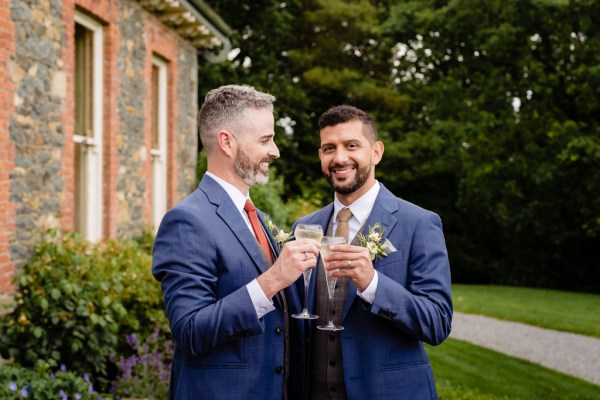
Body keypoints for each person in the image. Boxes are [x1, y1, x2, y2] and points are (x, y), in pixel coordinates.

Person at [152, 84, 319, 400]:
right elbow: (189, 330)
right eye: (265, 140)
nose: (275, 151)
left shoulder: (258, 217)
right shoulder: (187, 220)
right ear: (227, 142)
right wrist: (270, 281)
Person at [295, 105, 453, 399]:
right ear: (320, 157)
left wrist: (373, 285)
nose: (339, 158)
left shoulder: (419, 223)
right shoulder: (304, 227)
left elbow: (437, 322)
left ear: (376, 152)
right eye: (329, 148)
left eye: (351, 145)